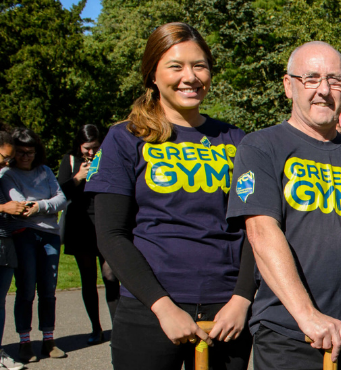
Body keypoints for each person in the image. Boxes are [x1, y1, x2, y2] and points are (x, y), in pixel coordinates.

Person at [226, 41, 341, 368]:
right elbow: (260, 232)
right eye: (311, 79)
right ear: (289, 85)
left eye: (335, 80)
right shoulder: (261, 146)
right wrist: (307, 316)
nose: (324, 90)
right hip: (291, 335)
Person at [85, 22, 253, 370]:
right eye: (176, 66)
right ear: (153, 75)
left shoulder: (237, 140)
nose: (190, 77)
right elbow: (110, 234)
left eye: (200, 65)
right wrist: (162, 307)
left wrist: (241, 300)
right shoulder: (124, 138)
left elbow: (257, 228)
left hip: (227, 315)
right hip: (150, 309)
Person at [0, 128, 70, 363]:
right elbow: (20, 206)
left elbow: (61, 199)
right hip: (24, 235)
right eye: (20, 152)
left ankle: (48, 340)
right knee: (27, 290)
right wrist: (45, 204)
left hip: (50, 236)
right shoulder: (7, 174)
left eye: (30, 152)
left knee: (48, 291)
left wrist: (39, 206)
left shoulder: (46, 171)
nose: (26, 156)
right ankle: (24, 343)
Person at [58, 123, 119, 345]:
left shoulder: (110, 159)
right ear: (79, 146)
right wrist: (79, 176)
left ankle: (118, 329)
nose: (91, 152)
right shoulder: (71, 160)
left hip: (105, 222)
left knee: (111, 276)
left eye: (95, 147)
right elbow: (59, 193)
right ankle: (96, 328)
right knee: (88, 280)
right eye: (87, 148)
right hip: (81, 225)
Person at [0, 129, 27, 370]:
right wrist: (4, 208)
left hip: (5, 244)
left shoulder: (2, 176)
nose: (7, 162)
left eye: (9, 159)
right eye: (4, 157)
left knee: (0, 303)